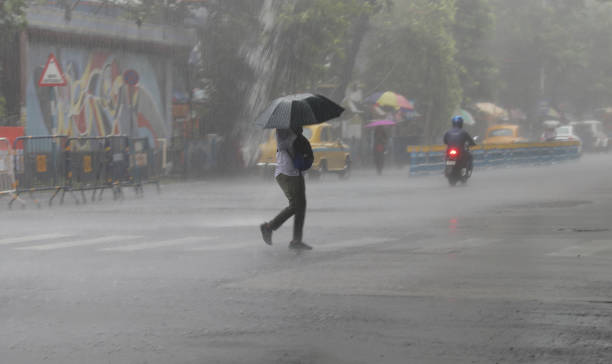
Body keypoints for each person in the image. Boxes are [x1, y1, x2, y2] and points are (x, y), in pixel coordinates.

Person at [259, 126, 312, 250]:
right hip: (289, 173)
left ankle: (296, 240)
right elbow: (291, 146)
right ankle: (269, 227)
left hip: (292, 173)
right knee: (296, 205)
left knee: (300, 206)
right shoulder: (284, 130)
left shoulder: (290, 130)